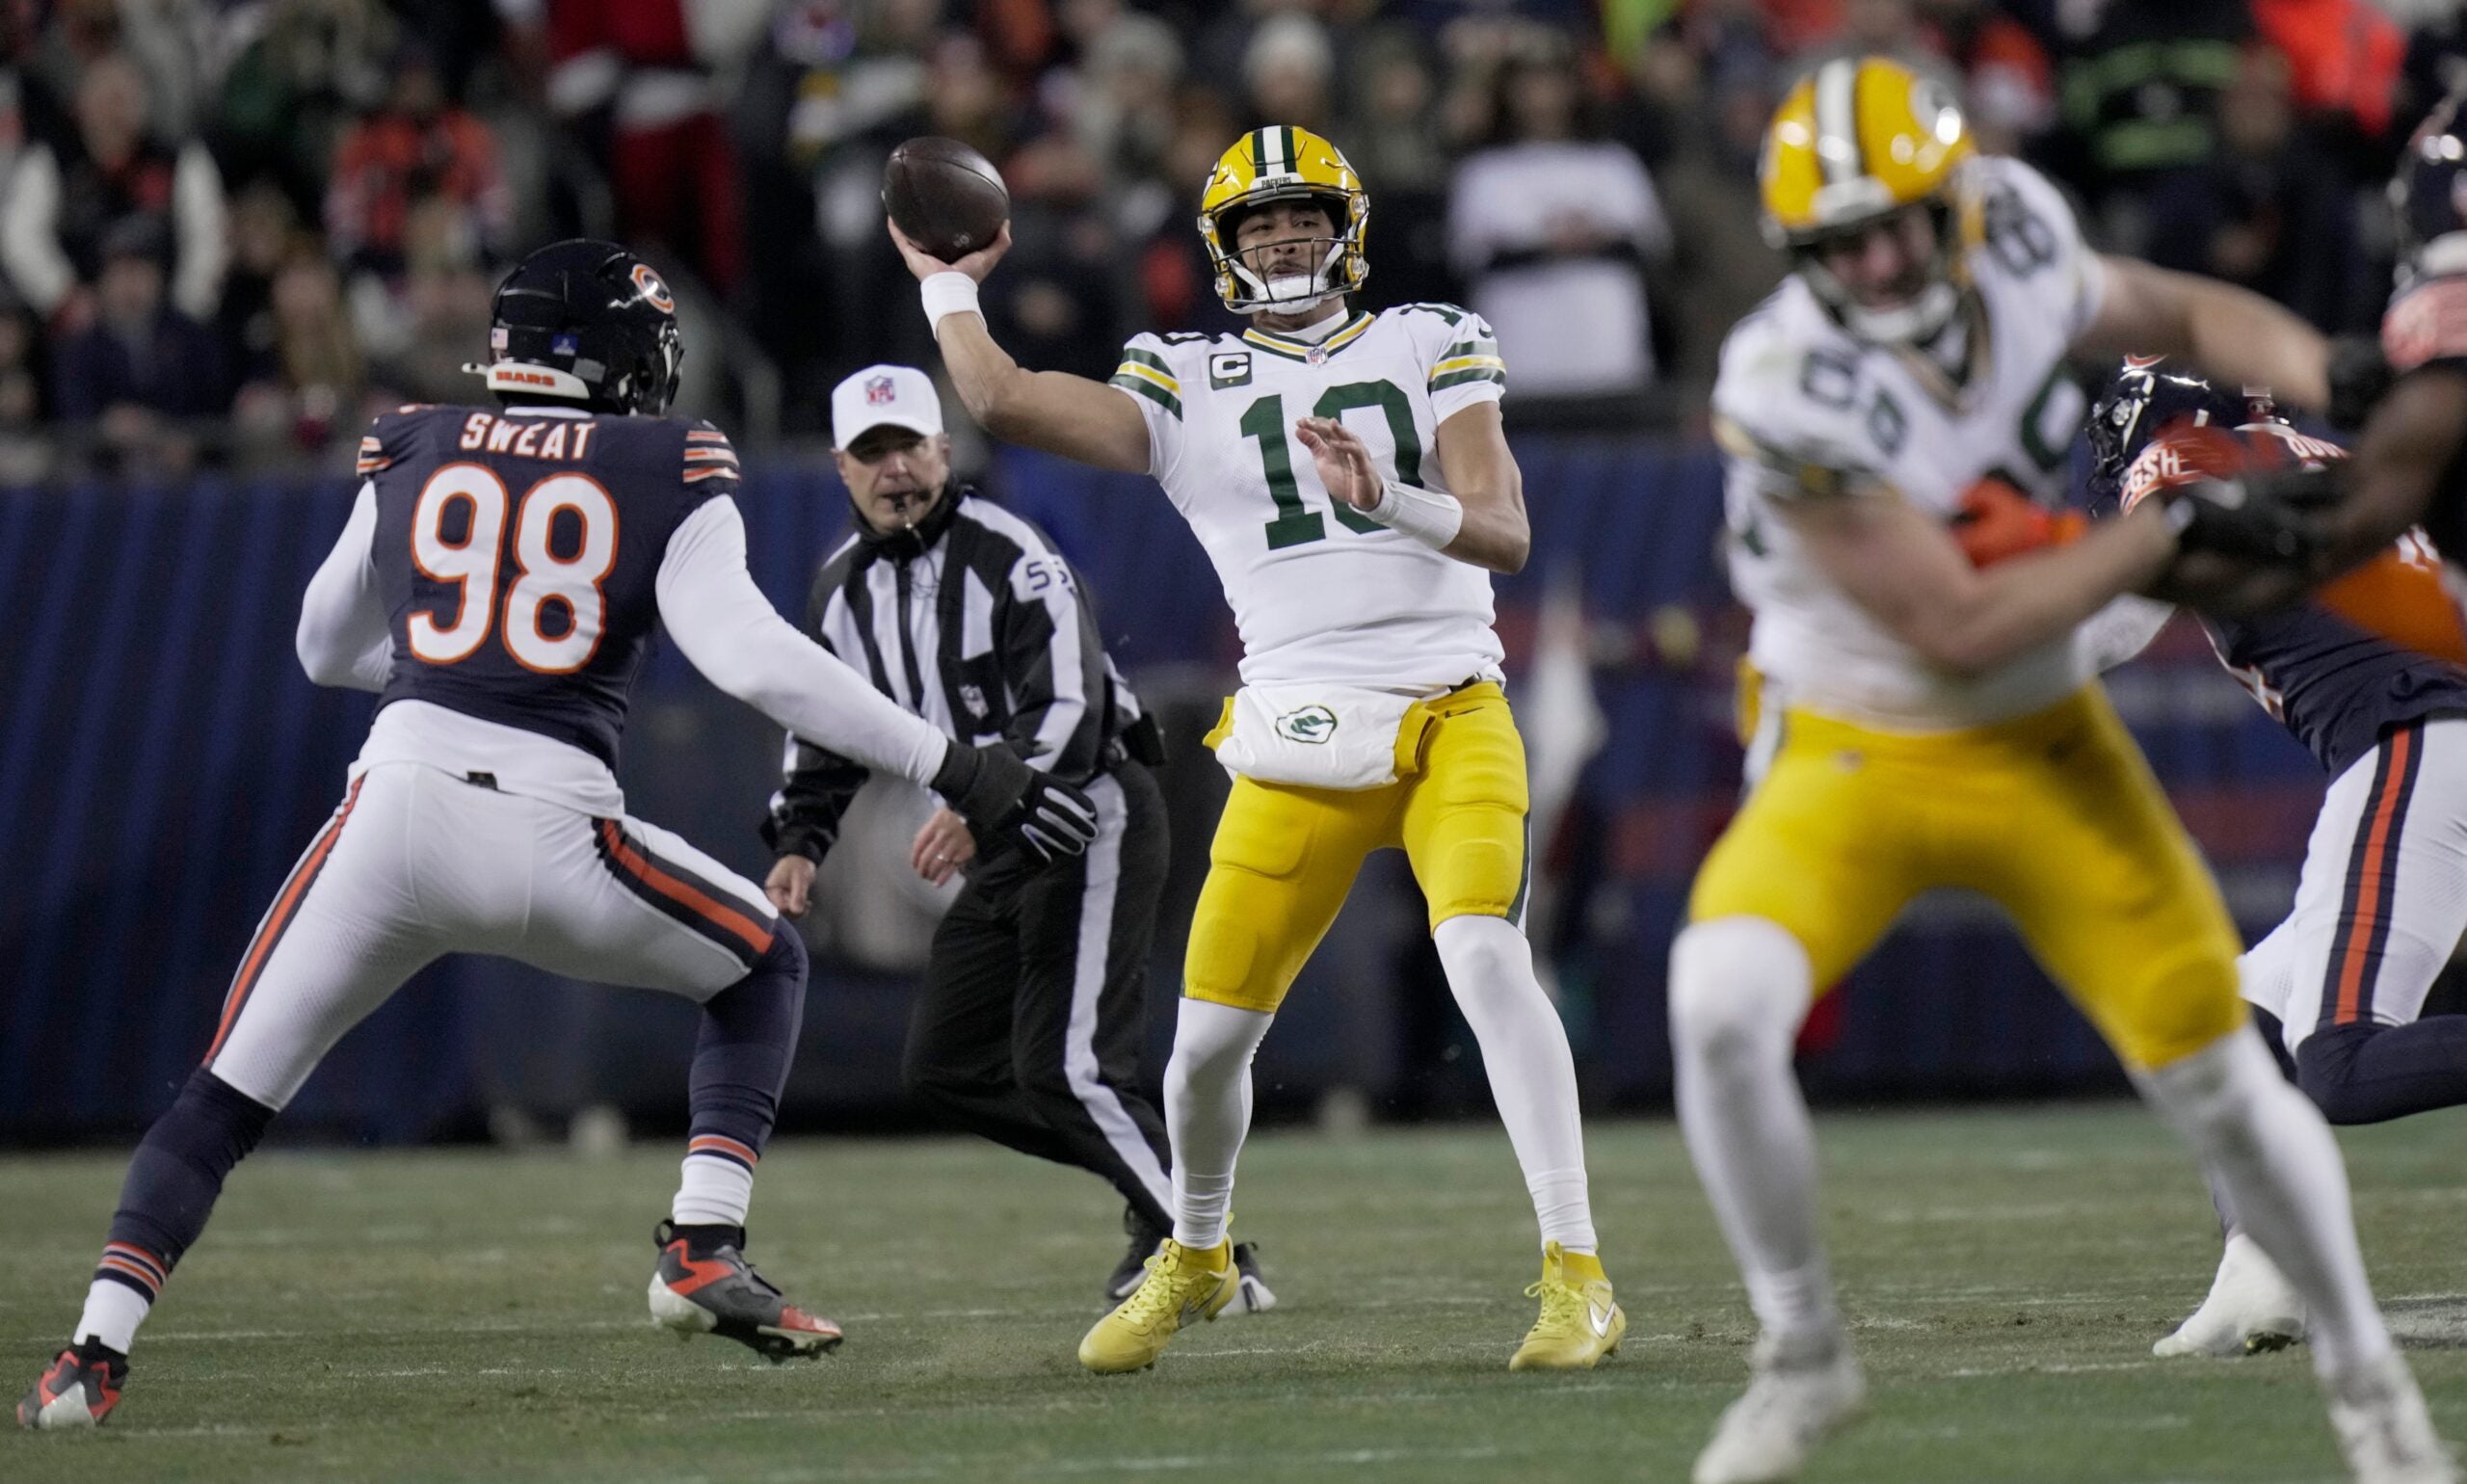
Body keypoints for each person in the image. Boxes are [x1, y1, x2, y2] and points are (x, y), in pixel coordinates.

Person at [15, 240, 1100, 1431]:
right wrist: (952, 762)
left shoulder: (414, 439)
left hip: (394, 811)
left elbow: (322, 647)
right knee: (762, 964)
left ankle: (90, 1357)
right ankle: (700, 1243)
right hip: (550, 827)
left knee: (222, 1097)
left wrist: (455, 666)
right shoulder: (668, 460)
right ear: (611, 354)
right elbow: (751, 659)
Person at [1678, 57, 2448, 1484]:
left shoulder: (2020, 234)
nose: (1879, 265)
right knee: (1716, 1005)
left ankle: (2369, 1384)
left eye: (1898, 226)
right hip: (1861, 738)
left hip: (2044, 740)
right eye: (1842, 246)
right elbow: (1956, 627)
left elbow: (2187, 312)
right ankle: (1803, 1350)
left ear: (1956, 201)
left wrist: (2330, 374)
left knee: (2230, 1071)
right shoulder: (1783, 382)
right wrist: (2172, 533)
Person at [890, 124, 1623, 1375]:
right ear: (1224, 246)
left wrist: (1386, 496)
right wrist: (945, 284)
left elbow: (1503, 531)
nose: (1284, 239)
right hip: (1299, 732)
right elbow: (1003, 397)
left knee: (1486, 957)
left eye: (1303, 217)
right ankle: (1197, 1254)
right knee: (1202, 1051)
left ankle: (1577, 1273)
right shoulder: (1183, 379)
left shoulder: (1430, 338)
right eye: (1260, 223)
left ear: (1347, 229)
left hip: (1448, 709)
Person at [761, 363, 1272, 1313]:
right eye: (872, 452)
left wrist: (981, 801)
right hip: (1004, 836)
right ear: (841, 467)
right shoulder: (840, 591)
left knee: (1069, 1068)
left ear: (943, 450)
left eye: (909, 446)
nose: (895, 469)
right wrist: (800, 837)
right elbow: (825, 725)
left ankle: (1208, 1252)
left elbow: (1071, 706)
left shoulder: (1011, 552)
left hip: (1088, 812)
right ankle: (1163, 1194)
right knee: (948, 1068)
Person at [2082, 360, 2467, 1360]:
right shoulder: (2339, 457)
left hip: (2417, 742)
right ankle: (2261, 1276)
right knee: (2232, 1022)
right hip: (2432, 737)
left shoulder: (2182, 459)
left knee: (2340, 1062)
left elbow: (2111, 623)